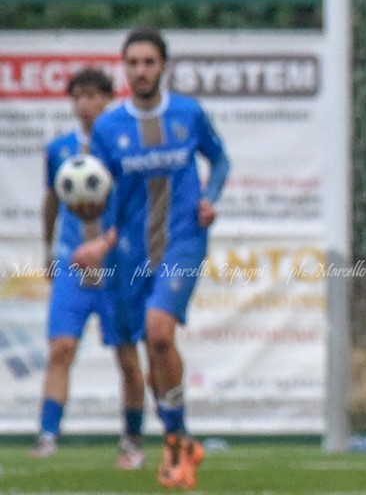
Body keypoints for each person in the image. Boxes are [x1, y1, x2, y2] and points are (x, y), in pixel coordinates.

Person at [73, 27, 230, 490]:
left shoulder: (188, 113)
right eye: (133, 63)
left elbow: (219, 161)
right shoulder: (108, 128)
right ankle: (179, 436)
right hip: (129, 251)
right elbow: (100, 197)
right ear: (125, 69)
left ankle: (176, 439)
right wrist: (97, 243)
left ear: (163, 66)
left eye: (149, 62)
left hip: (183, 239)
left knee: (160, 331)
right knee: (147, 348)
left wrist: (210, 197)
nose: (141, 71)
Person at [32, 67, 146, 470]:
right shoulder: (60, 149)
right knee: (61, 348)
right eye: (78, 96)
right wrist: (48, 249)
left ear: (107, 99)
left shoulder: (122, 147)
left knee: (127, 356)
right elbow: (51, 200)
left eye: (94, 95)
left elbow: (135, 207)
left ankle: (132, 440)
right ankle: (47, 436)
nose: (85, 103)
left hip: (116, 267)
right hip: (71, 263)